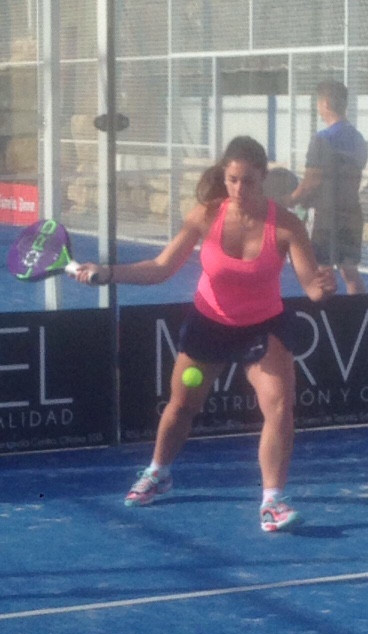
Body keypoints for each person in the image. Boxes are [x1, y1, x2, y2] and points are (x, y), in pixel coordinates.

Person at [71, 135, 336, 532]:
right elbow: (161, 267)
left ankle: (273, 501)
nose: (239, 188)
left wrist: (323, 287)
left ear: (263, 178)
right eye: (232, 180)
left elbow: (311, 286)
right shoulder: (205, 215)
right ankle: (158, 472)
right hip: (209, 321)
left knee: (279, 407)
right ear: (224, 177)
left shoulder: (286, 224)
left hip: (263, 325)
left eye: (248, 181)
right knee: (182, 406)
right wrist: (108, 273)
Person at [281, 80, 368, 295]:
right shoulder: (358, 139)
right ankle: (359, 312)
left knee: (323, 271)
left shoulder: (322, 139)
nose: (318, 108)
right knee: (350, 273)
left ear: (325, 104)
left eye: (318, 103)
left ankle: (326, 313)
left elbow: (311, 182)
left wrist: (288, 200)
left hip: (328, 217)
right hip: (352, 213)